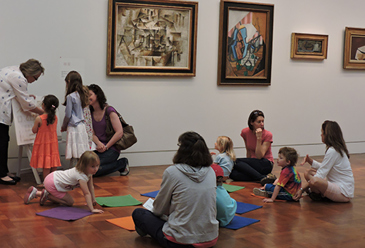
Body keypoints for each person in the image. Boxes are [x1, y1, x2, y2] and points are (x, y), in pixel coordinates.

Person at [132, 131, 219, 248]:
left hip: (181, 241)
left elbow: (158, 209)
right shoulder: (211, 172)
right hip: (210, 239)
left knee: (139, 213)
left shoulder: (173, 172)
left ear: (182, 150)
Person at [0, 59, 45, 185]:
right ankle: (2, 175)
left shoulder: (14, 69)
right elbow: (27, 104)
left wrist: (27, 96)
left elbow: (16, 94)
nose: (34, 81)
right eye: (35, 78)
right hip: (0, 113)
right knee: (2, 142)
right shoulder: (19, 77)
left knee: (4, 140)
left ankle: (3, 171)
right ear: (30, 73)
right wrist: (43, 113)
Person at [293, 121, 354, 202]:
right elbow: (326, 167)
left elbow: (320, 175)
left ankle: (319, 194)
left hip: (343, 192)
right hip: (341, 188)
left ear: (328, 135)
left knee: (315, 180)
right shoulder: (336, 149)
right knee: (308, 173)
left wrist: (301, 189)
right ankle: (318, 193)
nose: (321, 135)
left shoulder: (333, 151)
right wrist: (311, 161)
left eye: (322, 133)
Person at [24, 151, 104, 213]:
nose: (96, 169)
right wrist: (92, 209)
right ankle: (44, 194)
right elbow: (86, 193)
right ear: (84, 165)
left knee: (64, 201)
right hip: (52, 183)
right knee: (69, 202)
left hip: (53, 177)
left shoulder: (89, 172)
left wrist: (93, 200)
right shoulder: (81, 176)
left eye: (97, 165)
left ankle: (41, 193)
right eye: (93, 166)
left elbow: (91, 187)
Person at [88, 84, 129, 177]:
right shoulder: (89, 113)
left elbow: (119, 132)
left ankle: (122, 163)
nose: (87, 97)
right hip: (97, 147)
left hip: (112, 148)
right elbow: (91, 133)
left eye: (90, 95)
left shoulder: (109, 110)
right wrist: (98, 143)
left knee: (94, 170)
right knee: (88, 167)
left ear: (97, 95)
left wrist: (106, 147)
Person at [230, 110, 276, 185]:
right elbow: (248, 150)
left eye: (263, 121)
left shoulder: (268, 134)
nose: (262, 124)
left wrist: (259, 138)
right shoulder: (245, 132)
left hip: (265, 163)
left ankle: (261, 178)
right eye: (259, 122)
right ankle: (264, 177)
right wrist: (246, 166)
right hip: (254, 163)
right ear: (251, 122)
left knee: (236, 161)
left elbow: (259, 156)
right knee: (233, 174)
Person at [30, 95, 62, 185]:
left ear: (43, 105)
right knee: (53, 163)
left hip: (43, 144)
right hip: (53, 144)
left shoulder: (39, 118)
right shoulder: (55, 118)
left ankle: (46, 183)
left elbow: (34, 130)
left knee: (46, 165)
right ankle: (53, 182)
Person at [61, 71, 90, 167]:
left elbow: (68, 114)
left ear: (69, 82)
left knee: (74, 153)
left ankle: (74, 176)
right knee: (82, 153)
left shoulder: (70, 96)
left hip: (73, 127)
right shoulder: (82, 95)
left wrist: (63, 125)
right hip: (82, 126)